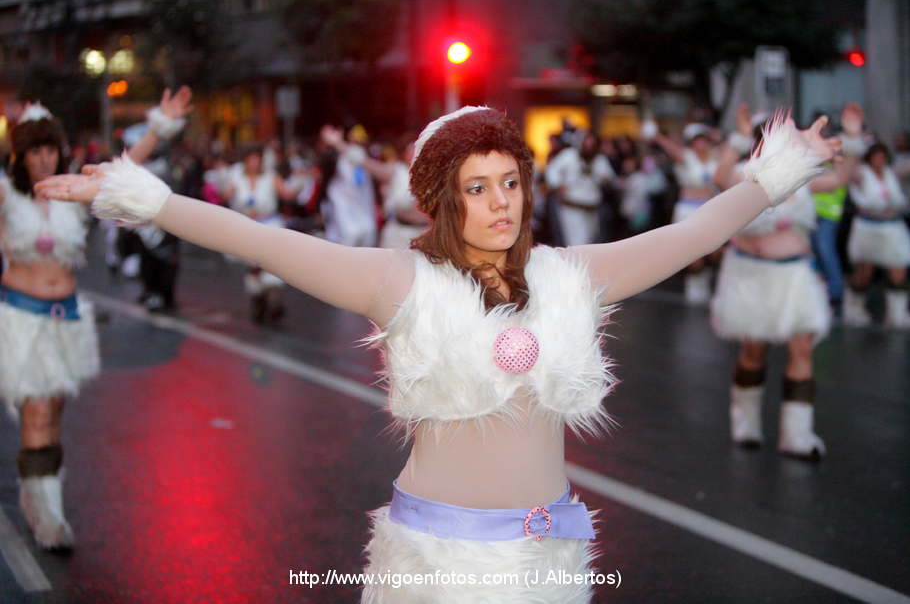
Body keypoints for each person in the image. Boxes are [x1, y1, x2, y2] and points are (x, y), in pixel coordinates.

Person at [37, 106, 839, 602]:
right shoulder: (400, 280)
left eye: (510, 182)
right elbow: (260, 239)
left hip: (549, 552)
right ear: (444, 200)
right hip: (436, 559)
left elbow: (696, 231)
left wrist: (784, 168)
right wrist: (146, 199)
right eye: (477, 187)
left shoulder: (570, 274)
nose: (500, 202)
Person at [0, 88, 192, 550]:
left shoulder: (72, 192)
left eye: (49, 149)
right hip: (20, 318)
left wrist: (159, 127)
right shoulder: (6, 195)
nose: (43, 159)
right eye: (34, 151)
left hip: (65, 319)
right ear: (21, 156)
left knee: (53, 411)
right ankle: (49, 518)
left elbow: (124, 170)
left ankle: (38, 498)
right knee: (37, 409)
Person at [713, 103, 863, 459]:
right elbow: (720, 177)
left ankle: (797, 437)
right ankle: (745, 426)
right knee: (753, 351)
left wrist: (853, 139)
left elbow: (840, 179)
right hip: (751, 276)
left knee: (802, 350)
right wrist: (737, 137)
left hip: (795, 276)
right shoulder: (745, 174)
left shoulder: (802, 175)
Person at [225, 145, 299, 324]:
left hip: (269, 226)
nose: (254, 163)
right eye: (251, 159)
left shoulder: (270, 177)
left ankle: (274, 302)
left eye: (257, 159)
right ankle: (258, 302)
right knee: (253, 266)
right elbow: (225, 195)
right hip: (247, 227)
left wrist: (301, 180)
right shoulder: (237, 177)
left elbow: (287, 194)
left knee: (271, 264)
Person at [648, 121, 720, 304]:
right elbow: (671, 148)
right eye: (698, 140)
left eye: (704, 140)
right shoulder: (686, 157)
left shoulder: (716, 157)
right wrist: (658, 135)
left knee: (713, 250)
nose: (702, 144)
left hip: (710, 208)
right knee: (692, 252)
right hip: (688, 209)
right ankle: (693, 285)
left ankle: (705, 281)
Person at [842, 142, 910, 327]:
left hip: (892, 227)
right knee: (864, 272)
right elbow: (846, 171)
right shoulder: (861, 174)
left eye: (882, 157)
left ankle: (897, 314)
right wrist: (853, 142)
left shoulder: (890, 173)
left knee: (898, 269)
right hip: (868, 227)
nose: (880, 160)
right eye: (876, 156)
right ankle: (854, 310)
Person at [545, 131, 615, 246]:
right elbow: (552, 170)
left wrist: (606, 179)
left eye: (592, 144)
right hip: (572, 206)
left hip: (591, 207)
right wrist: (557, 185)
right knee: (577, 240)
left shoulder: (599, 159)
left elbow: (610, 177)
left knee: (590, 240)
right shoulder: (569, 155)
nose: (589, 146)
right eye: (587, 143)